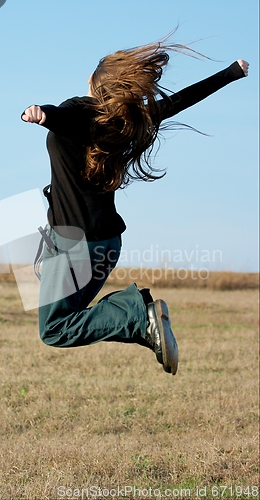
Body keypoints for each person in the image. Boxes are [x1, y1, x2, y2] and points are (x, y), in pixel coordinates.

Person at [21, 39, 249, 376]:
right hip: (107, 244)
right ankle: (143, 322)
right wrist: (229, 74)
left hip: (75, 244)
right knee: (78, 319)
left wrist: (43, 114)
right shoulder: (128, 122)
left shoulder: (80, 112)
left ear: (92, 82)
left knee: (54, 329)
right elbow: (178, 102)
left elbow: (66, 119)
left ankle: (138, 315)